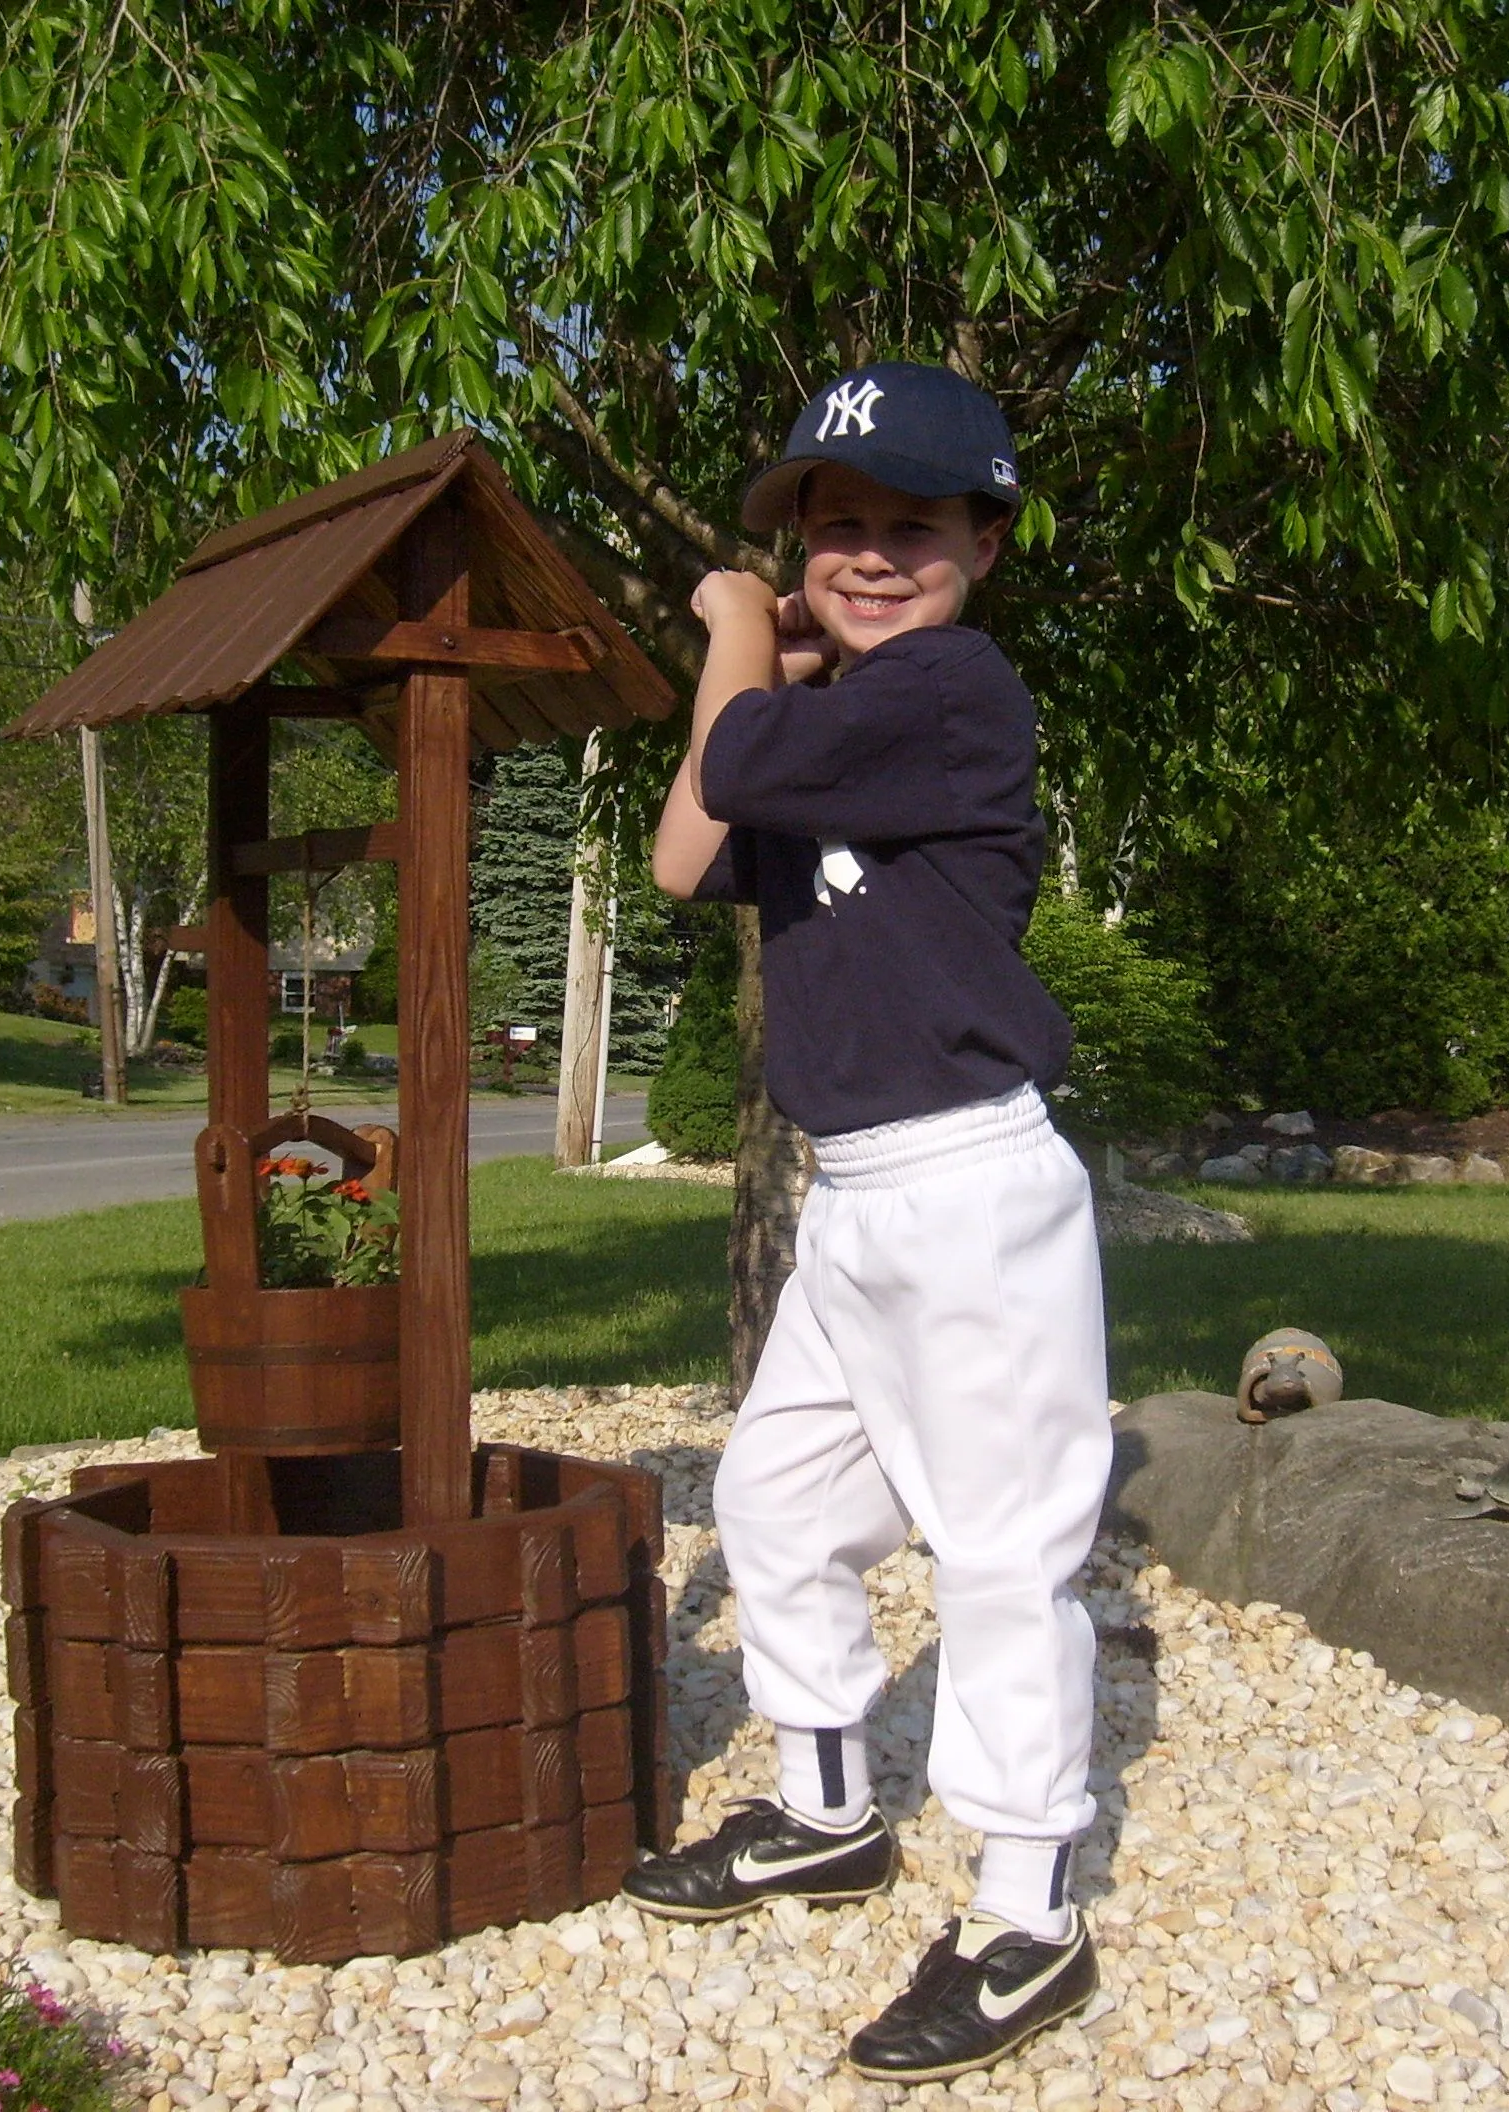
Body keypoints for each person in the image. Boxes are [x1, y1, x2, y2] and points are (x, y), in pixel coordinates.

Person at [631, 362, 1112, 2085]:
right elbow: (691, 848)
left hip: (973, 1184)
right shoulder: (841, 722)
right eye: (836, 528)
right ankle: (832, 1812)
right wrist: (764, 654)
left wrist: (729, 619)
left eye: (916, 524)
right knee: (773, 1498)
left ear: (985, 540)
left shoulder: (960, 694)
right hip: (856, 1196)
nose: (872, 554)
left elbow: (738, 747)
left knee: (1002, 1554)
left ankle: (1028, 1917)